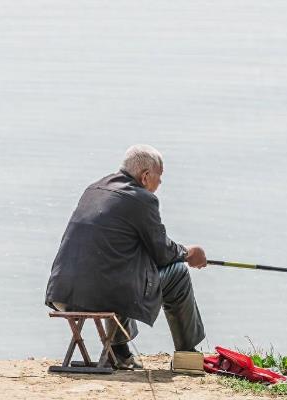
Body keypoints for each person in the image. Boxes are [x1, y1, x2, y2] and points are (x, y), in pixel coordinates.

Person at [45, 144, 207, 368]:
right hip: (101, 295)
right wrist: (189, 253)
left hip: (61, 293)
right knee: (178, 272)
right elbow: (162, 253)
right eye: (159, 177)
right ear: (146, 176)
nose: (160, 183)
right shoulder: (142, 199)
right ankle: (188, 355)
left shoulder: (94, 189)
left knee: (124, 270)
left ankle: (119, 352)